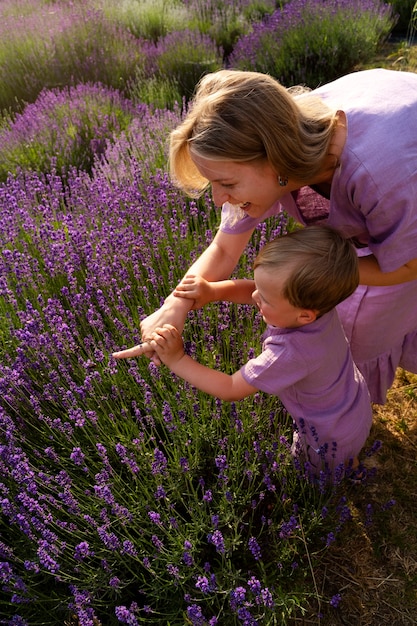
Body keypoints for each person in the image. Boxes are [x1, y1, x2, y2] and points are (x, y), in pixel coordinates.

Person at [113, 68, 417, 405]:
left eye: (226, 183)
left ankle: (348, 405)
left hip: (404, 145)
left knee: (365, 326)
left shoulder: (381, 178)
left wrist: (324, 269)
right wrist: (175, 305)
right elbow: (224, 250)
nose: (216, 199)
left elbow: (407, 265)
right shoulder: (273, 145)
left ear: (278, 161)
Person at [114, 226, 372, 478]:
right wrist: (214, 291)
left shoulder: (290, 352)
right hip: (353, 404)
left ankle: (339, 475)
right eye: (258, 287)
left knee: (316, 474)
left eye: (266, 299)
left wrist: (177, 358)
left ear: (304, 315)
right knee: (347, 453)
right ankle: (352, 461)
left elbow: (231, 388)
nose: (256, 296)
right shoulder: (318, 309)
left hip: (327, 435)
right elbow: (257, 293)